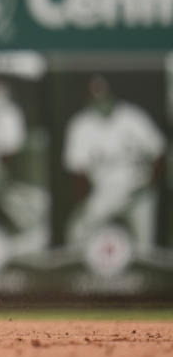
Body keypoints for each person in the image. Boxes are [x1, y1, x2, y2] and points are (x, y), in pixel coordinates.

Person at [63, 75, 166, 257]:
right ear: (88, 100)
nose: (101, 102)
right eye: (95, 98)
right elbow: (76, 171)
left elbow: (159, 151)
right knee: (77, 231)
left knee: (145, 247)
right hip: (106, 190)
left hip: (139, 187)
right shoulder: (80, 125)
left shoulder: (133, 116)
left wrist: (151, 184)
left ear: (112, 95)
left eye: (104, 96)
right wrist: (84, 204)